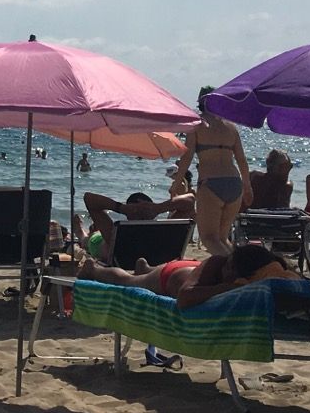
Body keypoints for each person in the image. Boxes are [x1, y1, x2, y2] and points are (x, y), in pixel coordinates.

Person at [79, 242, 294, 310]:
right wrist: (228, 287)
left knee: (143, 273)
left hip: (190, 269)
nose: (226, 269)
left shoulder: (257, 274)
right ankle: (94, 269)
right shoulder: (218, 264)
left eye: (231, 266)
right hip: (172, 277)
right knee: (129, 281)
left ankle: (145, 267)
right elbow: (184, 298)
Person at [176, 88, 252, 256]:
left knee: (209, 237)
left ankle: (232, 269)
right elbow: (242, 160)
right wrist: (247, 186)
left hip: (211, 183)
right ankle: (238, 268)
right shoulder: (231, 127)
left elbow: (187, 157)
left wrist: (176, 183)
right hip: (234, 183)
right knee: (222, 238)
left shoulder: (197, 126)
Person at [74, 190, 194, 261]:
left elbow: (191, 200)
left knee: (92, 236)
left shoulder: (116, 237)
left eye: (145, 211)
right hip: (98, 243)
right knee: (86, 240)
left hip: (106, 241)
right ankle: (80, 232)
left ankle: (85, 231)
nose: (142, 214)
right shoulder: (164, 232)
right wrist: (159, 208)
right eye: (138, 212)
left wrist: (122, 209)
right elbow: (190, 201)